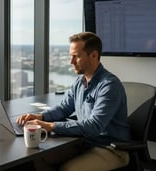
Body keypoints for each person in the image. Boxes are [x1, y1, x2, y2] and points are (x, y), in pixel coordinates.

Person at [16, 32, 130, 171]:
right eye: (71, 56)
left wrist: (49, 126)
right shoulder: (79, 82)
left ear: (93, 55)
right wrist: (40, 117)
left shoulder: (109, 85)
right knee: (41, 158)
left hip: (111, 149)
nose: (71, 62)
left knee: (69, 169)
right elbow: (64, 108)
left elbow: (93, 126)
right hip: (84, 143)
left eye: (76, 56)